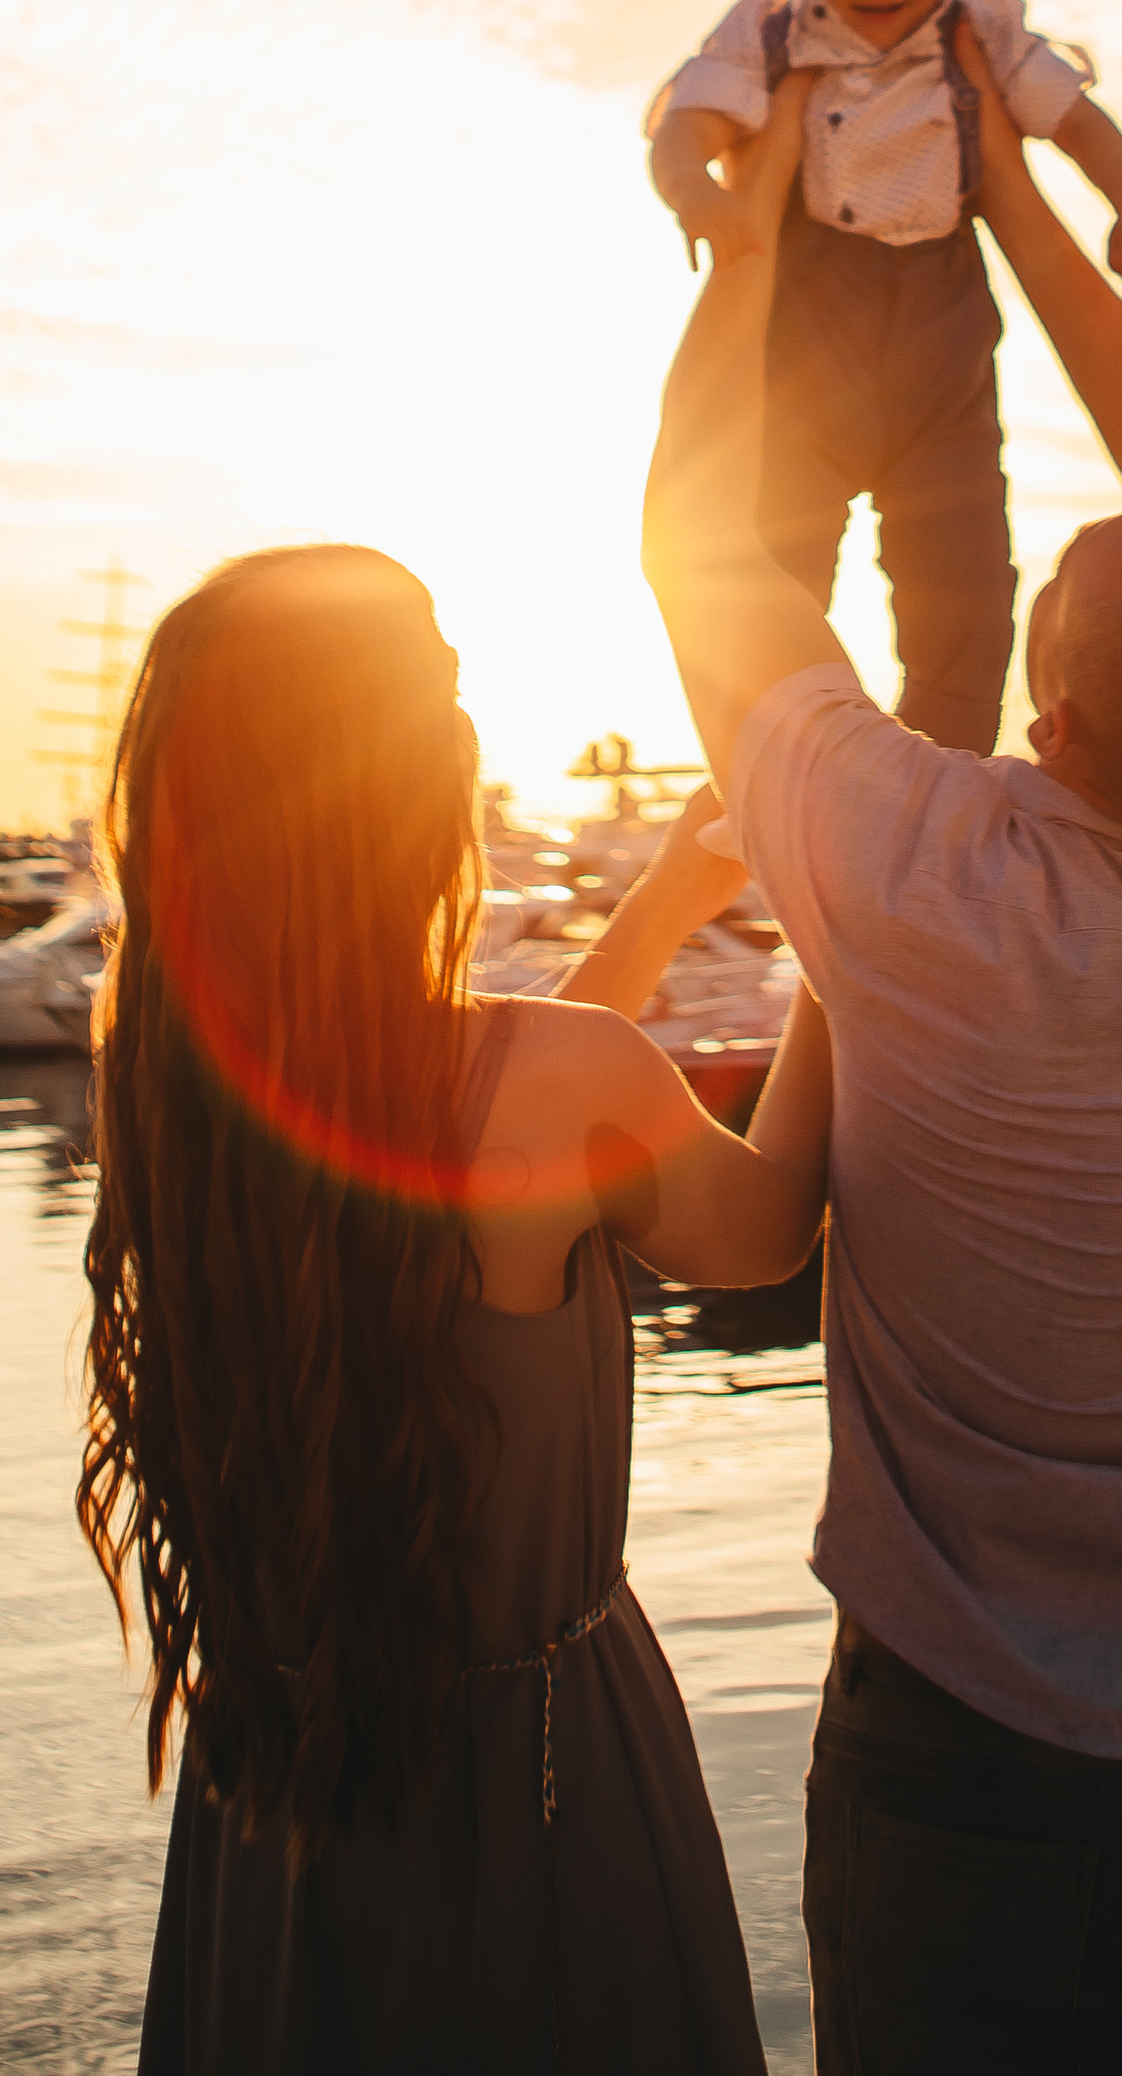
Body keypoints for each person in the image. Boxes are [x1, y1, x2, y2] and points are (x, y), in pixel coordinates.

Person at [642, 56, 1122, 2073]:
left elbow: (699, 551)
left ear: (1050, 729)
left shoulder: (924, 879)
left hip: (957, 1768)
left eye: (1040, 629)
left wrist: (745, 257)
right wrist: (1020, 212)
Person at [77, 542, 833, 2076]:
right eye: (446, 685)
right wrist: (842, 925)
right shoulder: (551, 1090)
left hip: (284, 1794)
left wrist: (670, 907)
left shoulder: (176, 1095)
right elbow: (762, 1233)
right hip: (542, 1792)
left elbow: (475, 1126)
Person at [645, 0, 1122, 752]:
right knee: (777, 560)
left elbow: (1071, 118)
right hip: (812, 346)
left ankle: (949, 760)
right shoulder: (767, 34)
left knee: (966, 580)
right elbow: (684, 125)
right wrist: (697, 194)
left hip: (941, 350)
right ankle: (781, 755)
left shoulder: (974, 19)